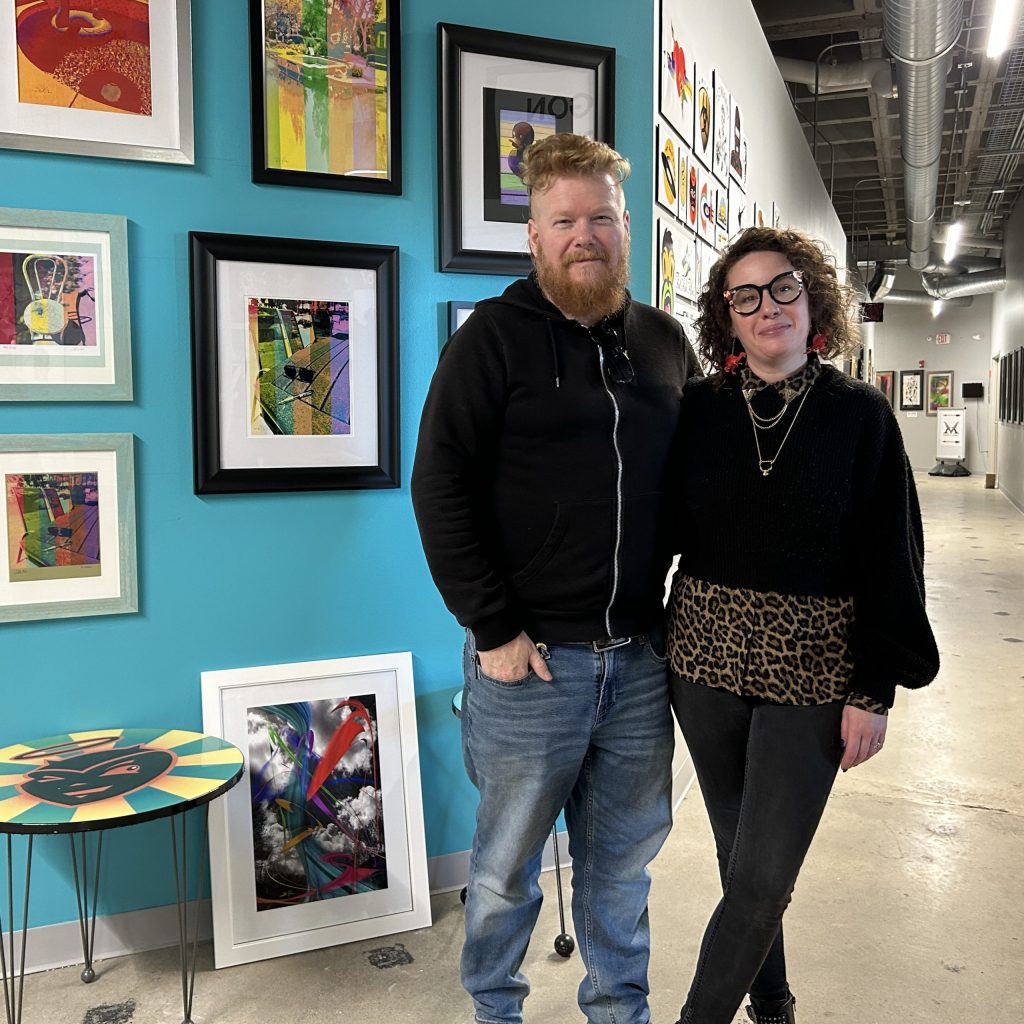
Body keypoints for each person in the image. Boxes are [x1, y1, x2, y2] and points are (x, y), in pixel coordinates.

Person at [411, 133, 701, 1024]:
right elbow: (439, 483)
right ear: (533, 237)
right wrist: (492, 628)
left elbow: (699, 478)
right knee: (503, 874)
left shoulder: (662, 342)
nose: (586, 235)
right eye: (564, 220)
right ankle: (495, 1009)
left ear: (628, 231)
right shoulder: (492, 341)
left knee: (622, 866)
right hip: (530, 667)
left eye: (603, 218)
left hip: (642, 659)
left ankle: (620, 1011)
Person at [666, 227, 940, 1024]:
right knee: (737, 856)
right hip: (703, 663)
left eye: (782, 287)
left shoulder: (860, 415)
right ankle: (774, 1000)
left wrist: (874, 689)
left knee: (763, 875)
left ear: (812, 295)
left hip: (814, 669)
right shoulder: (698, 411)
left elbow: (893, 556)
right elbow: (657, 527)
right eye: (745, 296)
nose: (767, 308)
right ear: (728, 314)